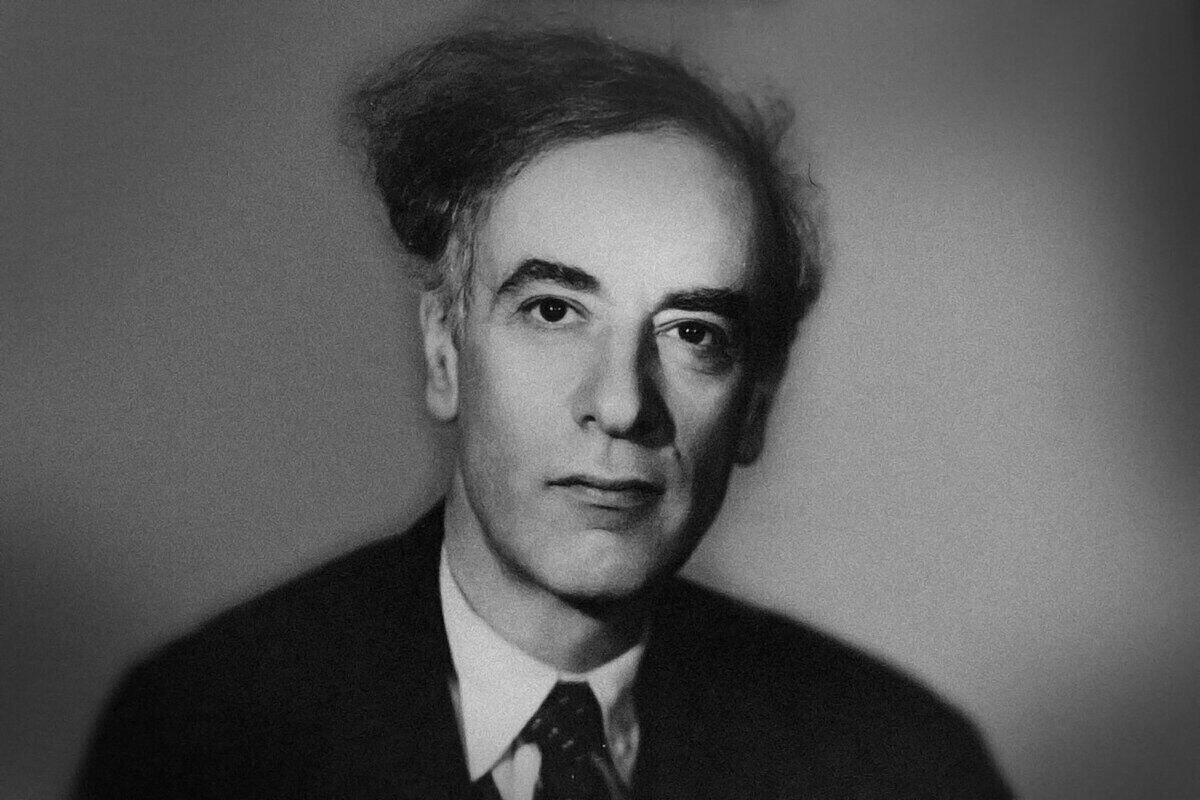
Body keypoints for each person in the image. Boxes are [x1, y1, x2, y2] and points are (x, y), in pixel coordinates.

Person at [73, 28, 1011, 800]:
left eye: (692, 333)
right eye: (554, 312)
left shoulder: (902, 768)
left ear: (755, 407)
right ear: (444, 352)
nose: (621, 404)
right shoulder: (201, 741)